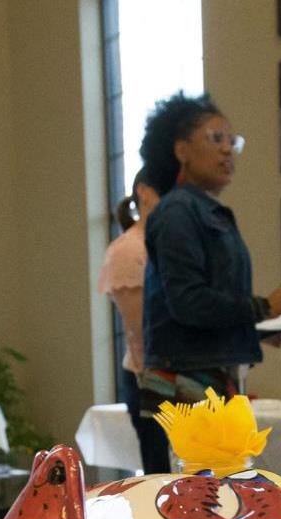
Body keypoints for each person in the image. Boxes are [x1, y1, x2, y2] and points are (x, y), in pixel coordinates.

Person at [137, 92, 281, 422]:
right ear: (181, 150)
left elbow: (210, 310)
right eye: (216, 138)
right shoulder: (177, 211)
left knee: (219, 474)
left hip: (210, 375)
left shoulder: (206, 210)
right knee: (193, 474)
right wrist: (263, 307)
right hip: (183, 381)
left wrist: (256, 329)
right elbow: (187, 302)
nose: (227, 149)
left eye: (233, 141)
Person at [97, 168, 170, 473]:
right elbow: (144, 332)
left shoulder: (176, 243)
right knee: (162, 479)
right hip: (150, 376)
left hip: (184, 374)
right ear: (144, 192)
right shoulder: (129, 249)